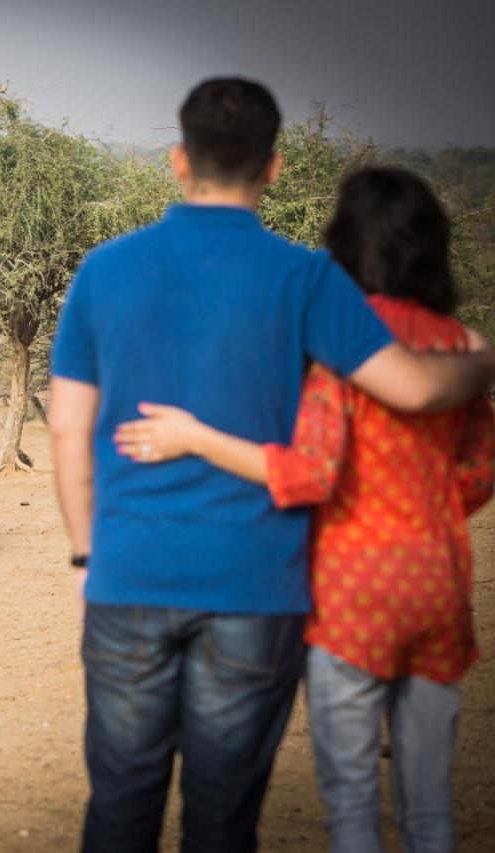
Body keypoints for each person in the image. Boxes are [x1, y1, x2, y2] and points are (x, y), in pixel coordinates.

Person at [46, 77, 495, 853]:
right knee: (224, 819)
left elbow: (65, 430)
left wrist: (87, 551)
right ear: (275, 167)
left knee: (120, 803)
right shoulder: (306, 277)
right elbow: (417, 386)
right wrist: (485, 358)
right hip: (257, 590)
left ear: (178, 161)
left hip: (130, 575)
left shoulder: (103, 270)